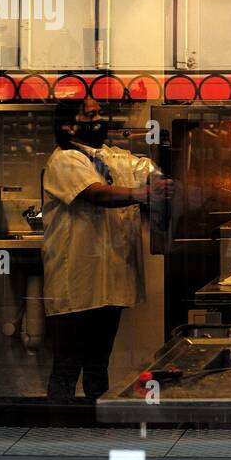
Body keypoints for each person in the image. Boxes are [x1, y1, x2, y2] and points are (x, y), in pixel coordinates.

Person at [42, 96, 172, 402]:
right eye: (91, 114)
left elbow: (145, 169)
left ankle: (94, 430)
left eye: (99, 112)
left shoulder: (113, 157)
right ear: (68, 126)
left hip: (110, 280)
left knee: (99, 364)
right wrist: (143, 194)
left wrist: (160, 182)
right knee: (67, 365)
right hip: (76, 282)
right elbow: (96, 194)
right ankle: (56, 435)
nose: (99, 118)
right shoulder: (64, 159)